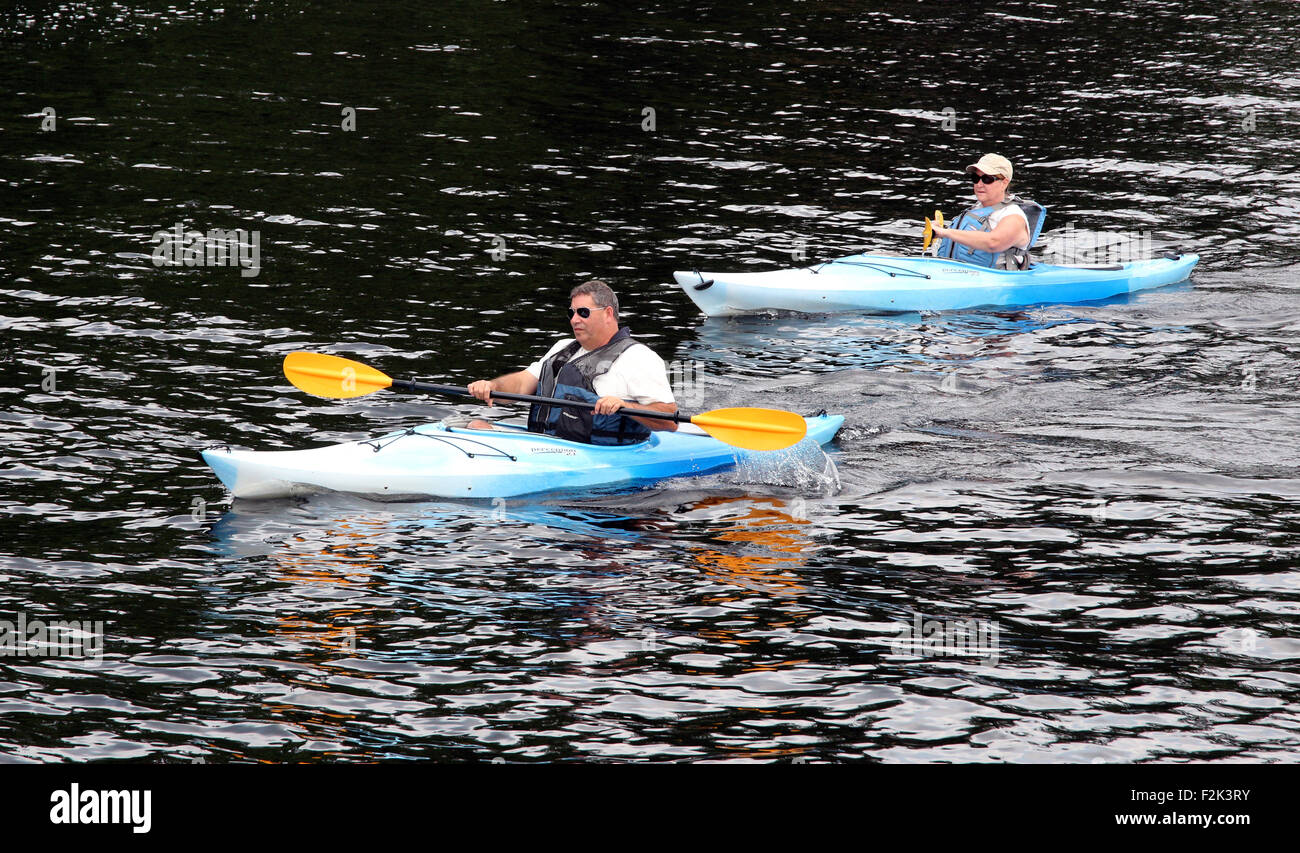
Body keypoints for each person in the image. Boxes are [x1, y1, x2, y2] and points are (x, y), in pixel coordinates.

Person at [465, 280, 677, 444]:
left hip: (597, 454)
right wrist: (493, 386)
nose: (574, 319)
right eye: (571, 313)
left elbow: (669, 419)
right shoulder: (562, 347)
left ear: (608, 314)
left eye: (583, 312)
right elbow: (522, 384)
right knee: (476, 426)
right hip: (545, 444)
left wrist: (624, 405)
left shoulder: (638, 357)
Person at [931, 154, 1038, 270]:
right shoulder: (976, 209)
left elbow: (993, 242)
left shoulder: (1014, 216)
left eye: (987, 179)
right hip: (957, 274)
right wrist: (938, 232)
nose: (979, 184)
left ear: (1004, 183)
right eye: (975, 178)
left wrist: (946, 233)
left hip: (997, 282)